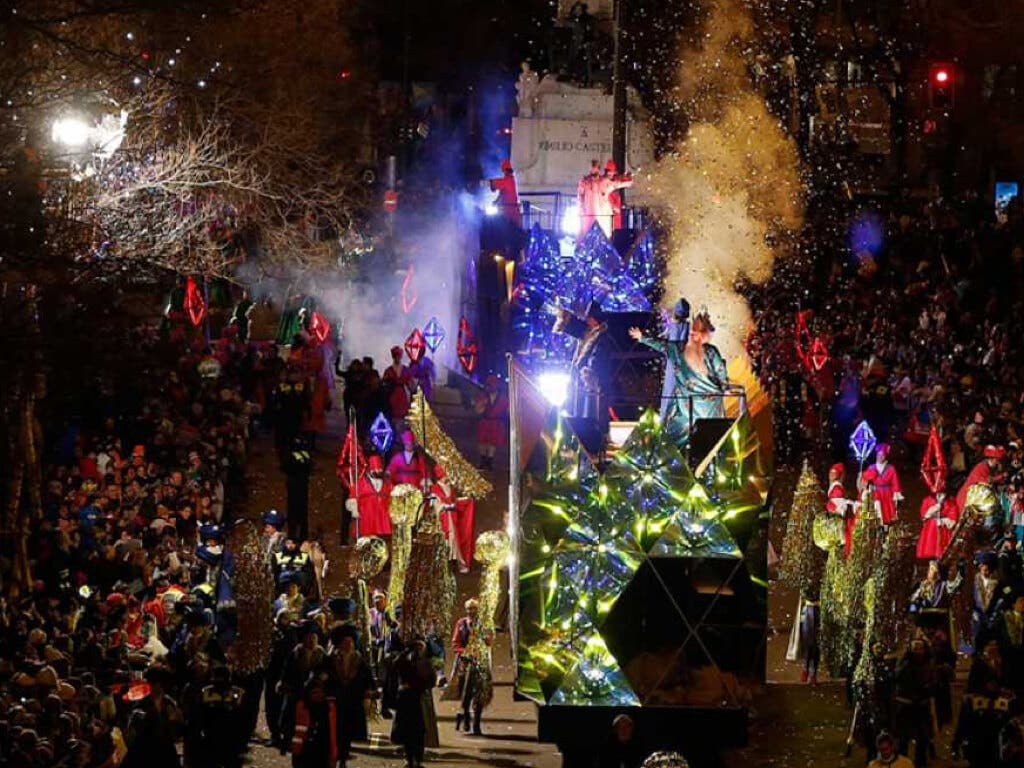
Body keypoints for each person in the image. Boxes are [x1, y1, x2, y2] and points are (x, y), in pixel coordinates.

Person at [629, 309, 730, 447]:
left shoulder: (708, 351)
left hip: (706, 407)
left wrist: (725, 387)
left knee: (706, 439)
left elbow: (721, 372)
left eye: (695, 334)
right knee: (678, 434)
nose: (692, 336)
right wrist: (642, 337)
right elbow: (661, 345)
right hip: (690, 406)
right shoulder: (679, 349)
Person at [556, 301, 617, 432]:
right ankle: (584, 433)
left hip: (593, 382)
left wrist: (589, 371)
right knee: (581, 411)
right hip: (582, 382)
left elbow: (598, 357)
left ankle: (597, 438)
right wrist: (563, 312)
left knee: (593, 412)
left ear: (595, 319)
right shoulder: (589, 332)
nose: (586, 319)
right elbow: (570, 327)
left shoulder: (602, 337)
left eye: (589, 317)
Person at [325, 624, 374, 767]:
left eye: (350, 643)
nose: (348, 645)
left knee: (348, 732)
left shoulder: (359, 659)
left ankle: (344, 758)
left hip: (353, 699)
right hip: (336, 700)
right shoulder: (331, 659)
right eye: (345, 643)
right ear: (340, 644)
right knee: (336, 730)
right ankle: (336, 756)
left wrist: (369, 691)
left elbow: (367, 677)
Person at [451, 599, 494, 736]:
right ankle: (466, 718)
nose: (472, 611)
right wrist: (465, 653)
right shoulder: (461, 624)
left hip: (480, 663)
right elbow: (456, 643)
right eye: (469, 609)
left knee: (480, 694)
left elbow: (489, 642)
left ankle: (476, 723)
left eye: (474, 608)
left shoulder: (483, 624)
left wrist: (485, 636)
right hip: (466, 662)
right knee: (466, 693)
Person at [391, 638, 436, 768]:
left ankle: (417, 758)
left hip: (419, 700)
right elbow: (395, 665)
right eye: (416, 647)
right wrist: (406, 651)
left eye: (421, 648)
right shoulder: (405, 661)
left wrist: (417, 686)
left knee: (419, 732)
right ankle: (410, 758)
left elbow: (430, 681)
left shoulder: (426, 663)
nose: (419, 650)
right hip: (406, 701)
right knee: (407, 731)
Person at [198, 665, 248, 768]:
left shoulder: (237, 693)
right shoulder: (206, 692)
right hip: (212, 736)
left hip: (229, 736)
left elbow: (243, 716)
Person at [289, 676, 338, 768]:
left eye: (320, 692)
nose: (318, 695)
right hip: (304, 751)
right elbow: (292, 727)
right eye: (314, 692)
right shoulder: (301, 706)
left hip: (322, 752)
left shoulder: (329, 709)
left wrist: (333, 755)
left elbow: (333, 734)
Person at [431, 463, 467, 572]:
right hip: (442, 520)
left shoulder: (450, 487)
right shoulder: (434, 488)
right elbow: (434, 504)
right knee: (443, 540)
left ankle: (456, 562)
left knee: (454, 539)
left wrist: (463, 501)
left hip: (452, 519)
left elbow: (454, 500)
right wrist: (444, 506)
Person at [347, 455, 393, 537]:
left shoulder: (387, 483)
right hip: (367, 516)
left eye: (379, 470)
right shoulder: (361, 484)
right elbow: (353, 496)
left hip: (382, 517)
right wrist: (354, 510)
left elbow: (392, 495)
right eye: (376, 470)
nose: (378, 472)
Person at [860, 443, 903, 526]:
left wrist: (896, 497)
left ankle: (886, 529)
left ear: (885, 456)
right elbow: (864, 482)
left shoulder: (891, 469)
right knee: (876, 512)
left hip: (887, 494)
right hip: (876, 493)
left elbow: (895, 483)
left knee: (886, 514)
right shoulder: (871, 468)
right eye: (878, 455)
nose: (880, 457)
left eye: (882, 455)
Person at [957, 444, 1006, 513]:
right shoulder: (982, 467)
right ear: (992, 459)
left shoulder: (989, 468)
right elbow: (987, 481)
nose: (999, 463)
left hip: (973, 499)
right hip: (966, 499)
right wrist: (1002, 476)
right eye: (998, 460)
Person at [474, 374, 508, 471]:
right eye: (489, 385)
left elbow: (508, 410)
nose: (491, 386)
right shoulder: (482, 396)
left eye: (493, 384)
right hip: (485, 421)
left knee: (493, 443)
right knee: (482, 442)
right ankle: (482, 460)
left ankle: (489, 462)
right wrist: (482, 404)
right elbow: (478, 411)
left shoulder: (503, 398)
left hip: (496, 422)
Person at [916, 482, 958, 560]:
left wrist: (945, 520)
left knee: (942, 550)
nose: (940, 495)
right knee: (930, 546)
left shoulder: (950, 501)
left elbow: (953, 515)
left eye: (942, 493)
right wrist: (933, 509)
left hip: (943, 528)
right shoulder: (928, 500)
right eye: (938, 493)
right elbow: (924, 514)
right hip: (930, 529)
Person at [283, 435, 313, 542]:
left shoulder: (297, 456)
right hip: (298, 487)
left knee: (297, 513)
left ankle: (297, 534)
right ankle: (297, 534)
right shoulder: (304, 456)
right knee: (299, 512)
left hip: (297, 487)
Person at [825, 463, 856, 558]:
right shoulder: (835, 487)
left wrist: (831, 507)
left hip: (837, 518)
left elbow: (839, 506)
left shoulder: (837, 488)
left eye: (833, 473)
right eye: (830, 473)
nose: (831, 475)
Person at [383, 346, 412, 424]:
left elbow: (410, 385)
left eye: (398, 356)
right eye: (395, 356)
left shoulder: (406, 370)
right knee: (393, 416)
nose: (397, 358)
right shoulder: (388, 370)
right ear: (393, 357)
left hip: (402, 394)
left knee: (402, 416)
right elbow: (385, 384)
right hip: (392, 393)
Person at [488, 159, 521, 227]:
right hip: (513, 209)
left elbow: (494, 184)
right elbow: (502, 193)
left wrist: (481, 183)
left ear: (504, 170)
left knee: (508, 228)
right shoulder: (512, 180)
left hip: (509, 210)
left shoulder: (507, 180)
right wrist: (496, 201)